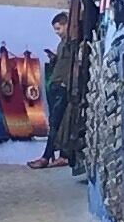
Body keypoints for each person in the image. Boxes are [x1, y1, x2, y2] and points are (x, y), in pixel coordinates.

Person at [35, 9, 86, 169]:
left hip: (65, 86)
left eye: (58, 28)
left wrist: (66, 83)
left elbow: (72, 65)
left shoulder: (71, 43)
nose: (57, 32)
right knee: (58, 122)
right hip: (58, 85)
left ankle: (46, 157)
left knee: (56, 123)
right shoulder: (63, 43)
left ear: (66, 25)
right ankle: (56, 156)